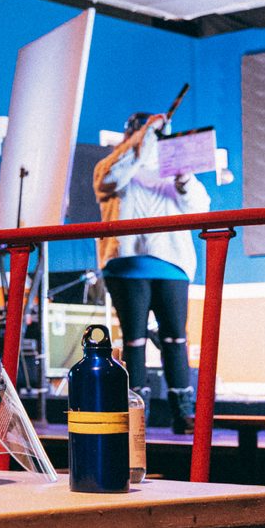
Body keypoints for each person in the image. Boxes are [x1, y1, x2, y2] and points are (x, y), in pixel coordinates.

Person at [93, 110, 211, 433]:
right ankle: (135, 413)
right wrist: (143, 136)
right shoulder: (113, 164)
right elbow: (112, 178)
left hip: (172, 265)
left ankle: (182, 411)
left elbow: (200, 208)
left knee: (176, 337)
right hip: (127, 264)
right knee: (135, 340)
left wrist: (185, 179)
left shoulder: (171, 171)